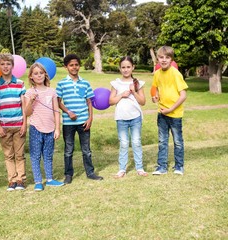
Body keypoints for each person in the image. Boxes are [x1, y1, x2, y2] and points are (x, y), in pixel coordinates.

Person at [56, 54, 103, 184]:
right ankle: (68, 174)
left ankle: (90, 172)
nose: (74, 67)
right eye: (71, 65)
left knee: (86, 150)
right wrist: (68, 112)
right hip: (68, 123)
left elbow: (89, 102)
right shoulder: (62, 84)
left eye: (76, 65)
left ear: (79, 66)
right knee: (68, 150)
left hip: (83, 121)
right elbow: (58, 102)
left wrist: (90, 118)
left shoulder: (85, 83)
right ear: (66, 67)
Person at [0, 53, 27, 191]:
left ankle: (20, 179)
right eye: (3, 64)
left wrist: (24, 124)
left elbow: (23, 105)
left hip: (18, 125)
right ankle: (11, 180)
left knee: (19, 154)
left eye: (8, 64)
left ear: (12, 66)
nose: (5, 67)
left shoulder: (20, 84)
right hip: (4, 127)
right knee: (8, 155)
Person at [24, 63, 64, 191]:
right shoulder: (29, 92)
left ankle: (50, 179)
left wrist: (57, 128)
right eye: (36, 73)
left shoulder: (52, 91)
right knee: (35, 155)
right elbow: (27, 113)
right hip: (36, 128)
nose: (39, 75)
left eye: (41, 73)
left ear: (45, 75)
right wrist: (31, 101)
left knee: (48, 154)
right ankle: (38, 181)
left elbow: (56, 110)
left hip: (50, 128)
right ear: (31, 77)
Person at [151, 46, 188, 175]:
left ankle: (179, 166)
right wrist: (155, 97)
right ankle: (162, 167)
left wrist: (171, 109)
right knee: (162, 141)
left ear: (171, 59)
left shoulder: (176, 74)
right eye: (161, 57)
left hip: (175, 114)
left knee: (177, 141)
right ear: (157, 59)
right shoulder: (157, 74)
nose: (164, 60)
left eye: (167, 57)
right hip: (162, 114)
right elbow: (155, 90)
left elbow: (183, 95)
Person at [109, 56, 148, 178]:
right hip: (121, 118)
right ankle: (122, 169)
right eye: (123, 67)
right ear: (120, 68)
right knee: (124, 143)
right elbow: (111, 101)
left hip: (135, 118)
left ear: (133, 67)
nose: (126, 70)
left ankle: (139, 168)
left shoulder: (138, 83)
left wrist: (134, 92)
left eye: (128, 67)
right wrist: (122, 95)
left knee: (136, 142)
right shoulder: (116, 83)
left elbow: (143, 102)